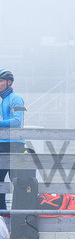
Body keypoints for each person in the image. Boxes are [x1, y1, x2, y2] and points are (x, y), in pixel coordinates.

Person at [0, 69, 25, 211]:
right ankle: (2, 211)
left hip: (15, 144)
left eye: (1, 81)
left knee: (17, 180)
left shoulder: (16, 98)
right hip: (3, 143)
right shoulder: (3, 100)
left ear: (9, 83)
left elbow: (17, 120)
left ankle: (19, 212)